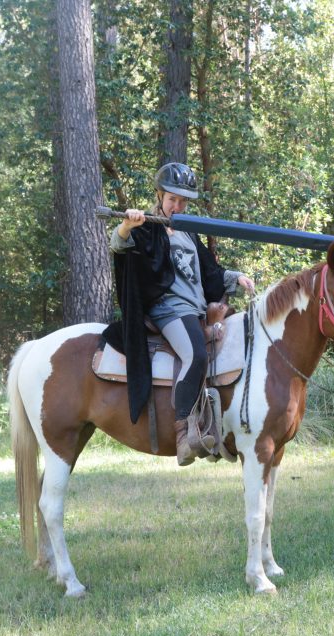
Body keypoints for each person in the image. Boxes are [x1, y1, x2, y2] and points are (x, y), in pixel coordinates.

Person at [103, 162, 255, 466]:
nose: (178, 206)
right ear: (160, 195)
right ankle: (184, 433)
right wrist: (126, 225)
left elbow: (209, 273)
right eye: (173, 199)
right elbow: (118, 245)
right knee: (196, 355)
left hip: (197, 309)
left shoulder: (187, 232)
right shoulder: (145, 226)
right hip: (168, 309)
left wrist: (235, 278)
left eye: (183, 201)